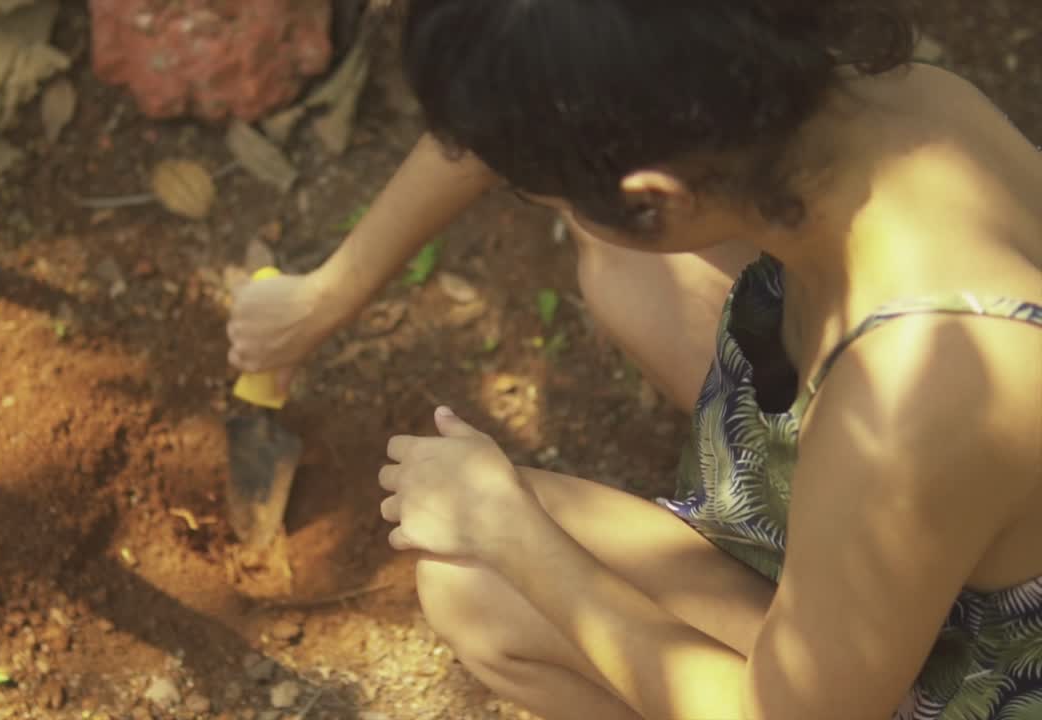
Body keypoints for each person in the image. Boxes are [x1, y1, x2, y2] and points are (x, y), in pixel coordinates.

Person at [227, 1, 1042, 718]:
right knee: (630, 269)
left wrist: (520, 539)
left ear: (654, 196)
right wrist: (328, 293)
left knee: (478, 582)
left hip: (969, 675)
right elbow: (541, 78)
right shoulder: (881, 98)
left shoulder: (912, 398)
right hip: (933, 538)